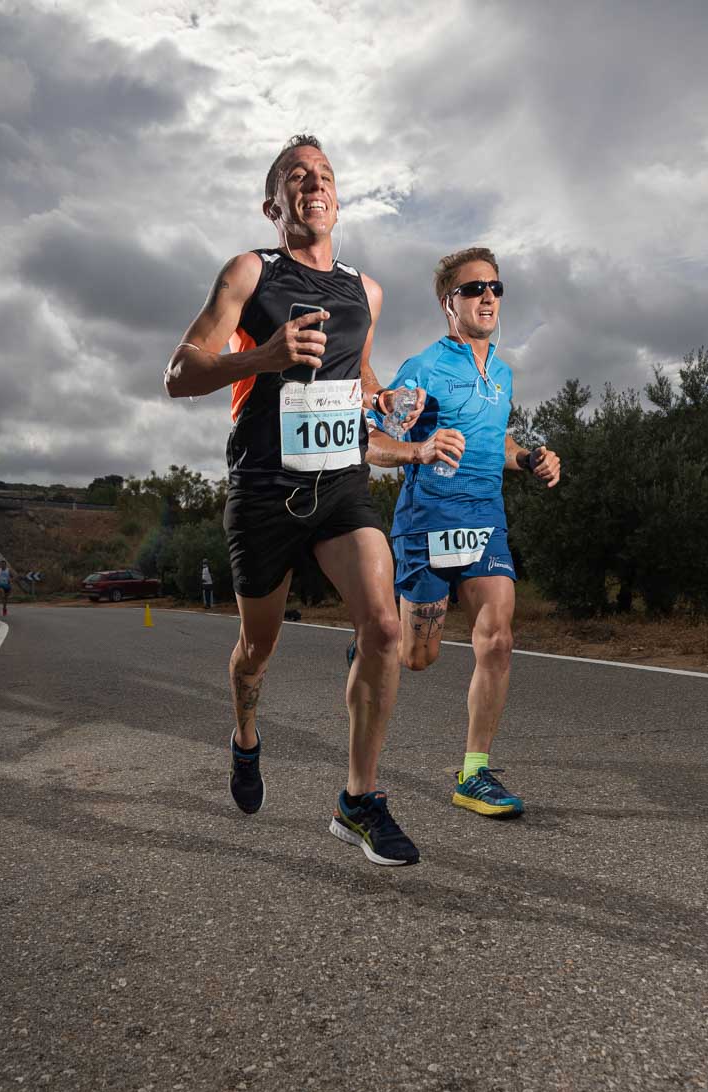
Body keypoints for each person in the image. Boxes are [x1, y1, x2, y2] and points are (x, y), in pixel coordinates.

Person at [164, 134, 425, 867]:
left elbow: (361, 373)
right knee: (256, 651)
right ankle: (246, 738)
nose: (313, 183)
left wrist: (387, 403)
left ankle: (358, 801)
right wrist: (264, 357)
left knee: (382, 624)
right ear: (273, 202)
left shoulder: (365, 290)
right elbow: (180, 373)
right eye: (296, 176)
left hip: (340, 481)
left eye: (324, 175)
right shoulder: (251, 271)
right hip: (262, 487)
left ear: (336, 197)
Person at [365, 247, 561, 818]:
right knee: (418, 658)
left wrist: (527, 460)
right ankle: (379, 643)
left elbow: (494, 442)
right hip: (426, 529)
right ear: (448, 303)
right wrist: (419, 449)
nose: (488, 298)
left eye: (496, 288)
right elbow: (373, 443)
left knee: (496, 638)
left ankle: (473, 775)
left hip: (485, 527)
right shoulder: (423, 369)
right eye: (475, 289)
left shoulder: (501, 373)